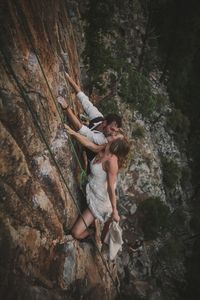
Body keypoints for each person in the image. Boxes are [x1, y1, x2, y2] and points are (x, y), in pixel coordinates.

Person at [64, 124, 130, 240]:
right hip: (93, 188)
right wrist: (73, 133)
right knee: (76, 232)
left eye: (116, 136)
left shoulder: (112, 163)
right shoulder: (105, 147)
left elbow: (110, 188)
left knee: (75, 233)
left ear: (116, 144)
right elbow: (90, 145)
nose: (113, 134)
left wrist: (115, 210)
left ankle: (91, 232)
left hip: (100, 201)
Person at [57, 72, 122, 162]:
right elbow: (84, 100)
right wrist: (68, 78)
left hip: (89, 161)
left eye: (115, 131)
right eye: (112, 129)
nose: (113, 133)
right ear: (105, 122)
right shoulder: (98, 117)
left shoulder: (102, 140)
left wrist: (66, 108)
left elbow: (79, 128)